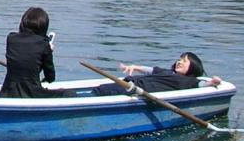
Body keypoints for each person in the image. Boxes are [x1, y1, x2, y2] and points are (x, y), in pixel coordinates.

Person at [89, 52, 221, 95]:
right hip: (129, 83)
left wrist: (213, 82)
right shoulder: (167, 72)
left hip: (134, 91)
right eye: (179, 60)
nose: (179, 62)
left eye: (184, 61)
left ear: (193, 66)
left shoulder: (188, 81)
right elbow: (150, 70)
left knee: (101, 91)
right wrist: (134, 67)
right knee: (100, 89)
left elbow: (202, 84)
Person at [0, 6, 56, 98]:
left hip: (7, 92)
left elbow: (26, 65)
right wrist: (48, 52)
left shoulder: (10, 38)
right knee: (70, 94)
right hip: (32, 94)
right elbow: (50, 78)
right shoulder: (44, 45)